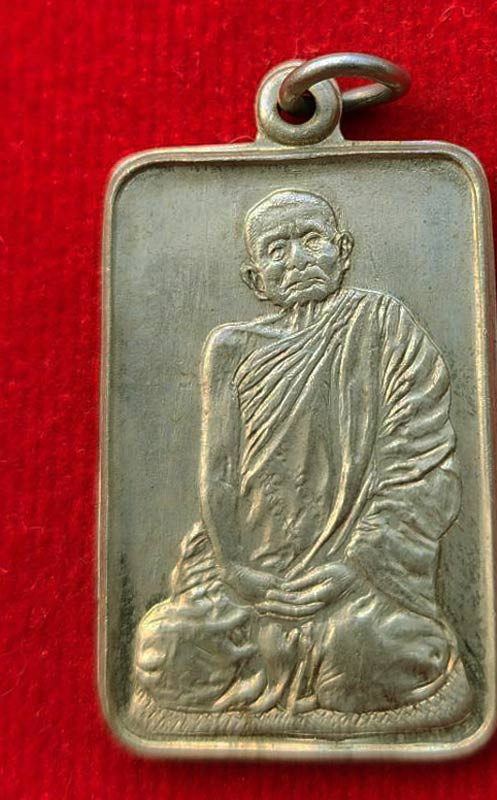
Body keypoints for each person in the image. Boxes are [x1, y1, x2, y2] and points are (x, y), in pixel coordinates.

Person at [134, 189, 470, 716]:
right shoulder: (231, 346)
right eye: (277, 250)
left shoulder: (381, 322)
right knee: (165, 652)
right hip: (250, 567)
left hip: (355, 570)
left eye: (312, 240)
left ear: (343, 250)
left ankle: (322, 653)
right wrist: (236, 570)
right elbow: (219, 473)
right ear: (255, 280)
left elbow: (420, 462)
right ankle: (291, 657)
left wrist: (355, 565)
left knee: (373, 654)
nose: (297, 259)